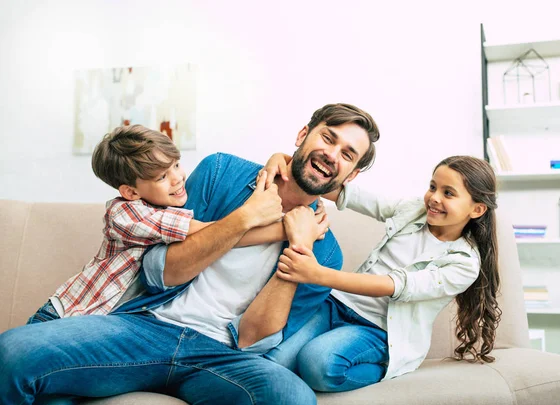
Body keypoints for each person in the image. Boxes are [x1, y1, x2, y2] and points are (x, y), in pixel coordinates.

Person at [0, 103, 380, 404]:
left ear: (351, 176)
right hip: (147, 326)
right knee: (12, 351)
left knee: (292, 397)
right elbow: (160, 270)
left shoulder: (326, 255)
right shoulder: (222, 172)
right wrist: (248, 219)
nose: (332, 155)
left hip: (222, 356)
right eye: (327, 139)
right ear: (302, 135)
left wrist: (298, 246)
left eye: (347, 155)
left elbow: (252, 339)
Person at [261, 154, 501, 392]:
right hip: (336, 305)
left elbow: (395, 286)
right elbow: (346, 194)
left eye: (448, 193)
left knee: (317, 363)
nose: (434, 198)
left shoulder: (464, 264)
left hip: (378, 330)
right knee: (272, 362)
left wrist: (315, 274)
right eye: (432, 187)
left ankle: (384, 367)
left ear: (477, 209)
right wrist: (283, 161)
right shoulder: (412, 209)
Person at [29, 125, 293, 323]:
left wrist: (277, 158)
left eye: (176, 165)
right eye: (162, 176)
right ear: (131, 191)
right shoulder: (125, 213)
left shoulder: (166, 204)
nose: (178, 178)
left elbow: (217, 234)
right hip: (64, 314)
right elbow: (213, 231)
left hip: (100, 320)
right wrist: (284, 229)